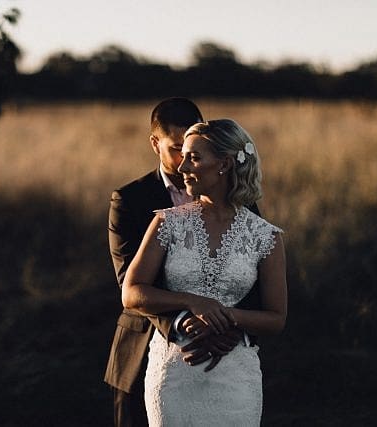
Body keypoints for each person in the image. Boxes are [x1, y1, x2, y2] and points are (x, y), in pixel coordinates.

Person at [121, 119, 288, 426]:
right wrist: (192, 303)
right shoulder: (167, 223)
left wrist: (224, 319)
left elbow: (277, 318)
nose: (182, 166)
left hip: (235, 377)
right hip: (174, 374)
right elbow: (131, 293)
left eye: (193, 158)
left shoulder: (265, 236)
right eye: (182, 156)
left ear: (224, 164)